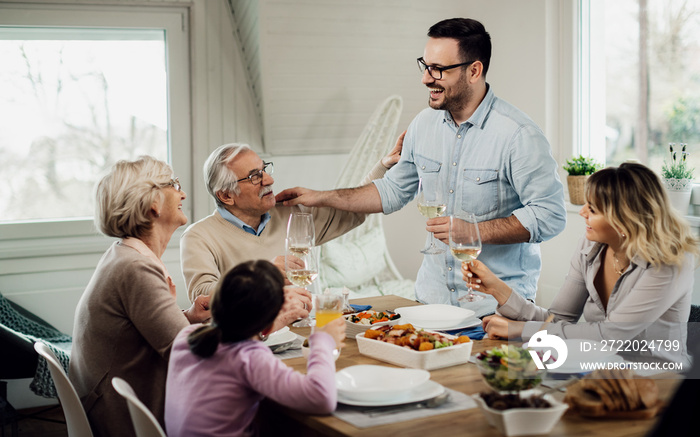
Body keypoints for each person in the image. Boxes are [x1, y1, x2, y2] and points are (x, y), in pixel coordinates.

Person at [276, 18, 566, 317]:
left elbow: (550, 215)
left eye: (439, 69)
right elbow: (390, 192)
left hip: (496, 309)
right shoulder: (422, 125)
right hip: (430, 302)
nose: (427, 79)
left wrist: (473, 232)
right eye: (425, 66)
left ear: (474, 71)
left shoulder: (519, 135)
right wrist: (320, 196)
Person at [466, 162, 698, 365]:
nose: (582, 213)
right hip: (598, 369)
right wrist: (499, 289)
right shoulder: (590, 249)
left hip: (657, 378)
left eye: (593, 209)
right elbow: (557, 320)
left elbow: (609, 336)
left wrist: (520, 330)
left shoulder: (669, 264)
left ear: (625, 220)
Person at [180, 137, 402, 323]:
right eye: (254, 176)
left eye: (264, 169)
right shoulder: (199, 236)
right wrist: (262, 275)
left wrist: (383, 166)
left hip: (303, 330)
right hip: (249, 343)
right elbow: (205, 298)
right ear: (226, 195)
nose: (269, 179)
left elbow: (353, 211)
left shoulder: (293, 213)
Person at [69, 157, 212, 437]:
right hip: (127, 418)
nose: (182, 193)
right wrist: (266, 323)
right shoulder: (136, 267)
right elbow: (189, 356)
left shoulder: (122, 255)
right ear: (153, 203)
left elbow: (137, 334)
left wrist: (188, 318)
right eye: (174, 184)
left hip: (115, 404)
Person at [164, 260, 345, 437]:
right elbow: (321, 398)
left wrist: (268, 321)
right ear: (266, 329)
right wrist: (323, 339)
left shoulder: (186, 335)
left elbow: (235, 336)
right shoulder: (249, 359)